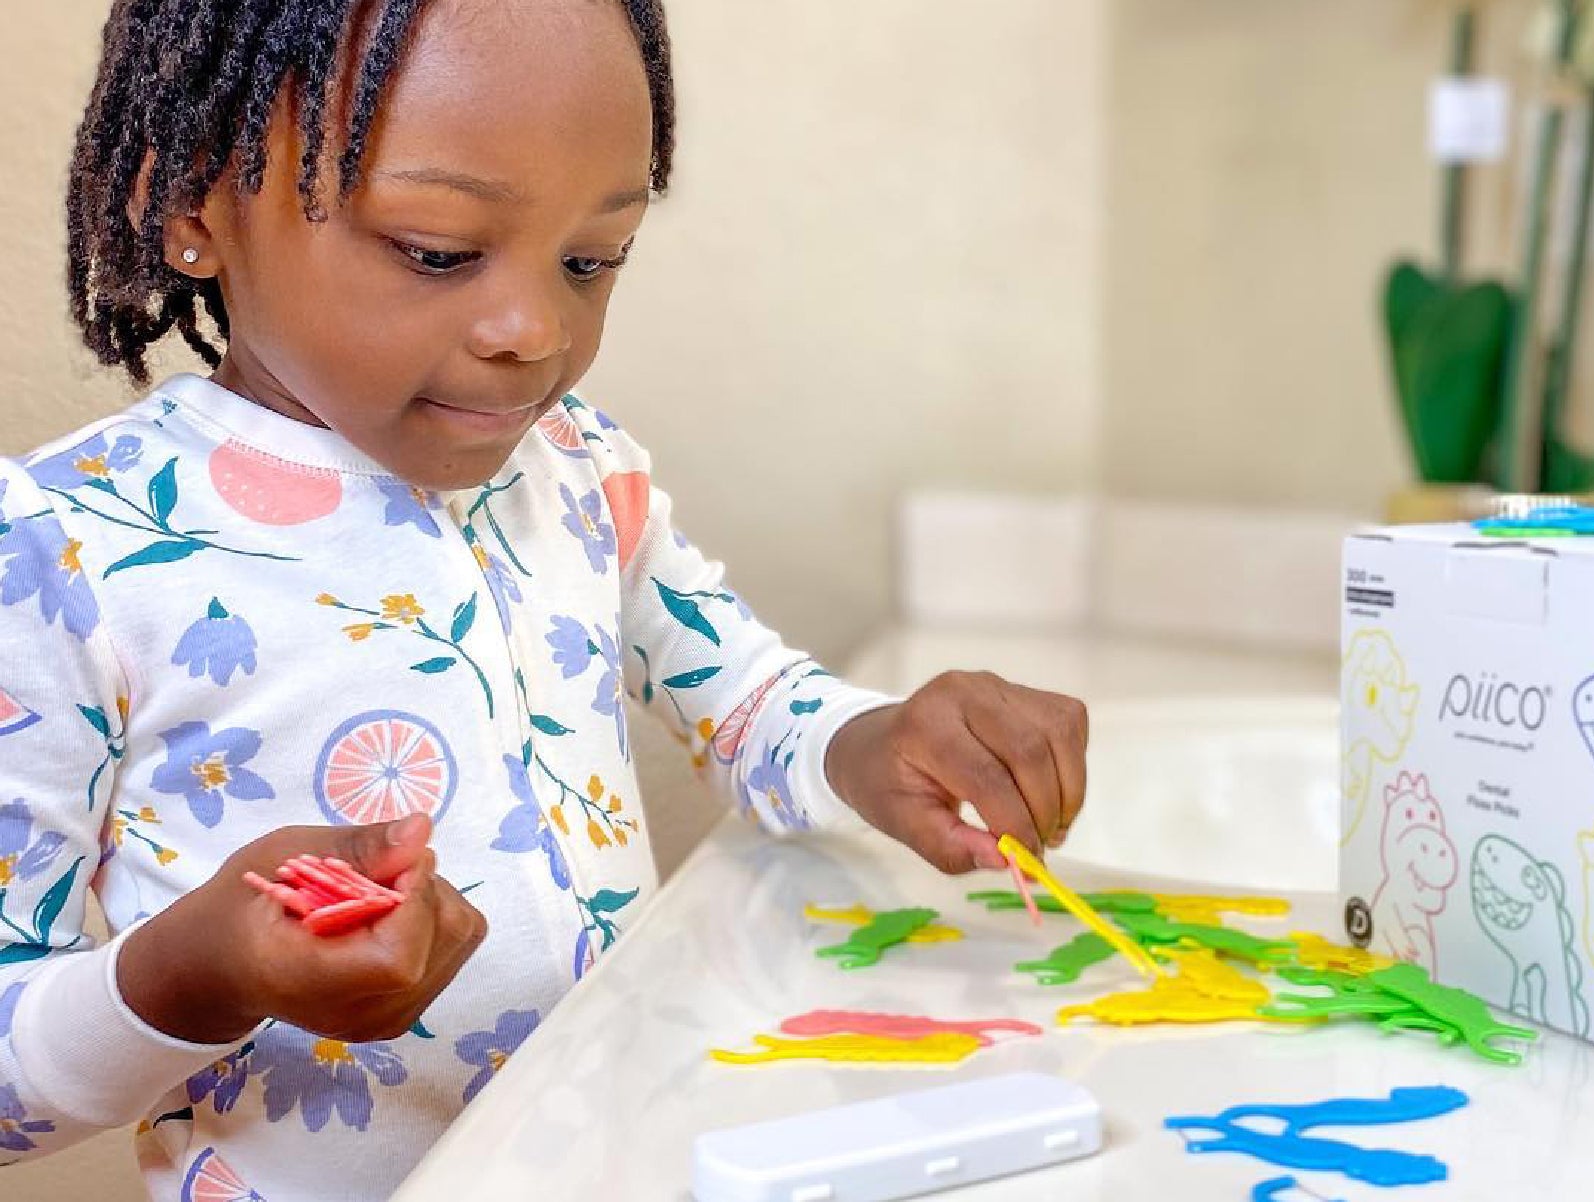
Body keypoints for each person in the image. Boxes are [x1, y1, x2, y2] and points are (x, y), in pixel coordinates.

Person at [0, 2, 1087, 1197]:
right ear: (192, 206)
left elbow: (747, 704)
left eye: (590, 260)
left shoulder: (578, 469)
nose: (536, 332)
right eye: (437, 249)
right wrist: (201, 973)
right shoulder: (63, 552)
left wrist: (877, 741)